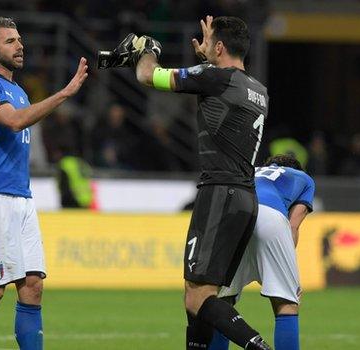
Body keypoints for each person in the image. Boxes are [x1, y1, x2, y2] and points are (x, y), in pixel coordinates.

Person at [99, 15, 271, 349]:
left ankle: (258, 346)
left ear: (219, 46)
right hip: (246, 197)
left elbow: (147, 75)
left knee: (196, 299)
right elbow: (219, 89)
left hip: (219, 194)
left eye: (212, 45)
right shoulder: (258, 90)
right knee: (204, 295)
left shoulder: (213, 77)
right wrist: (208, 62)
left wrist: (146, 49)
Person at [0, 17, 88, 350]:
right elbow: (12, 122)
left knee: (32, 286)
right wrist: (66, 93)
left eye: (20, 39)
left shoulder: (19, 91)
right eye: (10, 41)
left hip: (20, 197)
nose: (20, 45)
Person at [208, 154, 314, 350]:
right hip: (269, 215)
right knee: (286, 302)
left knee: (223, 300)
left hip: (233, 215)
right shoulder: (303, 178)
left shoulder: (253, 170)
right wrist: (289, 275)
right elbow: (293, 226)